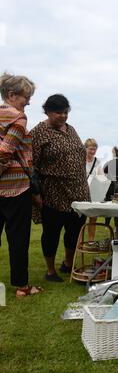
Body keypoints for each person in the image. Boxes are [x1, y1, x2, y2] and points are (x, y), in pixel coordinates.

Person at [31, 94, 90, 282]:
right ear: (47, 111)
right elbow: (32, 165)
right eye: (59, 112)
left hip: (78, 190)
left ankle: (68, 263)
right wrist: (36, 193)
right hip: (54, 192)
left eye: (66, 112)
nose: (63, 116)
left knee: (74, 229)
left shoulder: (71, 129)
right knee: (52, 231)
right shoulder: (38, 132)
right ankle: (50, 271)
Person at [0, 72, 43, 297]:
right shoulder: (18, 117)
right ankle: (21, 287)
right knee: (18, 239)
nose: (29, 101)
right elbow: (5, 151)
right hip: (16, 187)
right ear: (11, 95)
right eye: (26, 96)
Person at [84, 138, 104, 240]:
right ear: (85, 148)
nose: (92, 151)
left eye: (94, 149)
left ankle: (91, 240)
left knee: (93, 218)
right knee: (80, 220)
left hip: (93, 192)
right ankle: (78, 241)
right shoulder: (80, 159)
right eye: (90, 149)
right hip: (82, 192)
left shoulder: (97, 161)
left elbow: (101, 176)